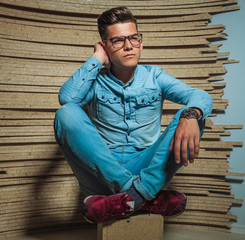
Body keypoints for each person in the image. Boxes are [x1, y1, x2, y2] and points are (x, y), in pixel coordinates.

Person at [53, 6, 212, 224]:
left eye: (134, 38)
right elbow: (68, 99)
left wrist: (190, 115)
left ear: (141, 41)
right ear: (105, 46)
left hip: (146, 168)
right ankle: (144, 198)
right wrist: (96, 58)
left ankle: (129, 199)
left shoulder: (155, 76)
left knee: (194, 115)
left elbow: (199, 95)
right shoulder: (95, 80)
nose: (129, 46)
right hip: (102, 171)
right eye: (118, 41)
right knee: (66, 114)